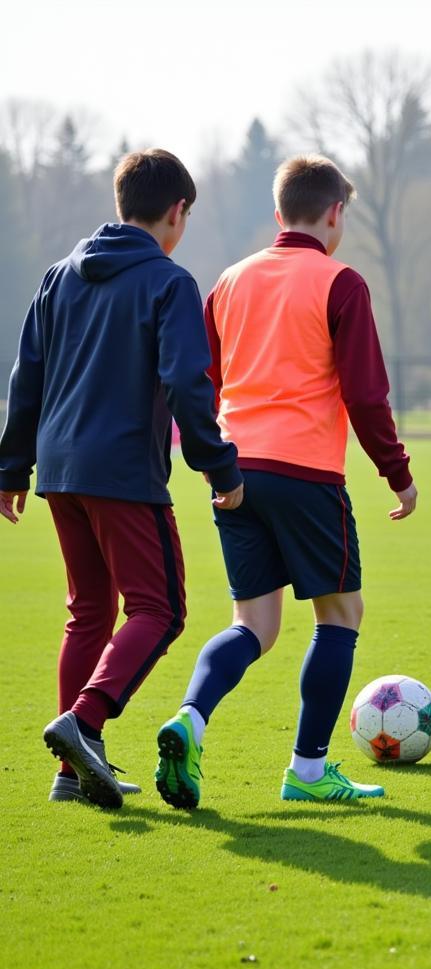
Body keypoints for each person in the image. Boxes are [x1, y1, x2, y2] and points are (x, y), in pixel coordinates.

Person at [155, 153, 417, 808]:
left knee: (254, 625)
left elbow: (197, 381)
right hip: (305, 473)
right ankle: (308, 769)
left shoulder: (231, 281)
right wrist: (398, 474)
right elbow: (365, 394)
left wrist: (214, 460)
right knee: (341, 614)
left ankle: (191, 715)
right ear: (335, 215)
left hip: (235, 472)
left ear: (278, 215)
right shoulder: (341, 281)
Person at [0, 149, 244, 808]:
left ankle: (72, 773)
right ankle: (83, 725)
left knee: (89, 613)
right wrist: (220, 467)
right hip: (123, 471)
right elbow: (188, 385)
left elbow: (27, 378)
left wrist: (11, 466)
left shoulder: (57, 277)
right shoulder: (169, 282)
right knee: (160, 611)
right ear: (177, 212)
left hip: (59, 470)